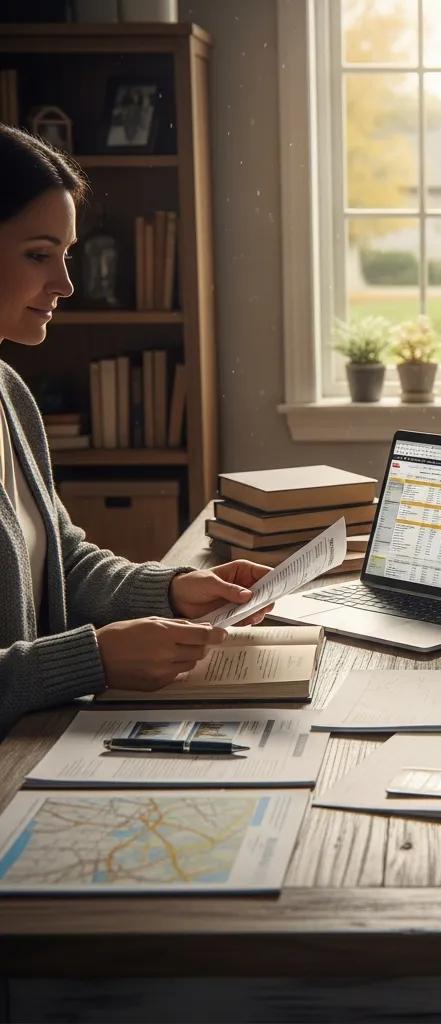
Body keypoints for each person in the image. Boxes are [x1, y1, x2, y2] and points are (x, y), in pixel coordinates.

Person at [0, 125, 272, 733]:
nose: (66, 284)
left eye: (68, 254)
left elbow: (59, 564)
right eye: (39, 254)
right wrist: (90, 659)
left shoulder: (8, 394)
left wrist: (176, 591)